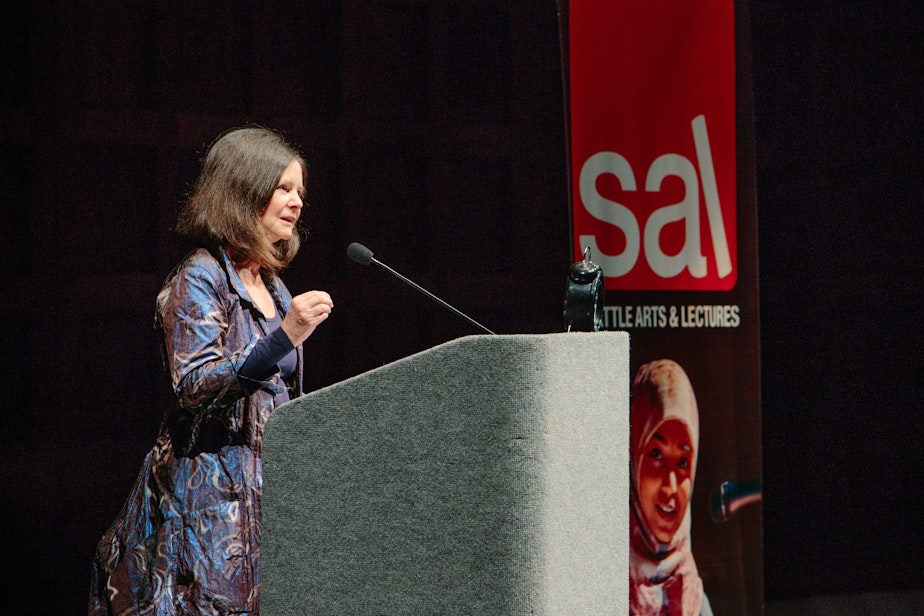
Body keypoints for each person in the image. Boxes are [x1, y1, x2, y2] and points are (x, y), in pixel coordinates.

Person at [88, 126, 334, 615]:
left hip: (266, 501)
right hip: (205, 511)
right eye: (283, 188)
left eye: (299, 191)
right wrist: (284, 336)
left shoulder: (274, 287)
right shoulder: (199, 277)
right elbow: (195, 384)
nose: (296, 202)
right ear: (244, 191)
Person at [629, 359, 713, 616]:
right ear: (633, 454)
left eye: (683, 462)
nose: (671, 486)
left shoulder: (694, 600)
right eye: (656, 454)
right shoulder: (599, 581)